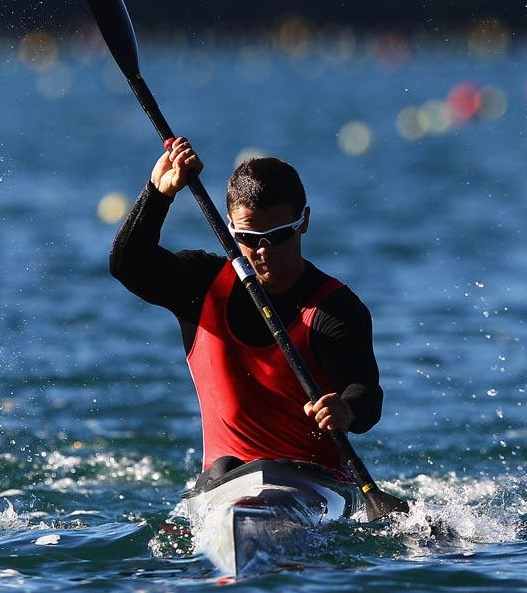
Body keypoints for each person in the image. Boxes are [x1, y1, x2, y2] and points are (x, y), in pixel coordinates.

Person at [110, 137, 383, 486]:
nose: (264, 251)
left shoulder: (335, 309)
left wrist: (346, 409)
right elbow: (127, 265)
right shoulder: (201, 286)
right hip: (222, 483)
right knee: (224, 468)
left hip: (311, 484)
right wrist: (158, 194)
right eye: (250, 238)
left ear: (304, 222)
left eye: (278, 236)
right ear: (230, 228)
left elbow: (366, 393)